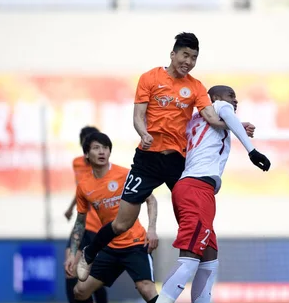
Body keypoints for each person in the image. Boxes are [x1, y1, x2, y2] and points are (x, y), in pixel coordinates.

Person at [77, 32, 255, 282]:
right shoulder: (150, 78)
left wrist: (237, 125)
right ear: (173, 54)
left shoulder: (195, 87)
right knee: (122, 224)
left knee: (189, 217)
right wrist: (143, 133)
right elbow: (138, 115)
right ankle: (89, 253)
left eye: (194, 57)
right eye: (185, 55)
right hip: (147, 161)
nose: (189, 61)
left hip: (177, 163)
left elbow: (213, 119)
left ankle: (198, 265)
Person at [137, 85, 271, 303]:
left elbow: (219, 126)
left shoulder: (195, 122)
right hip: (196, 190)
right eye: (232, 97)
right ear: (217, 99)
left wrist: (235, 125)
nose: (235, 101)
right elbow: (225, 115)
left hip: (197, 191)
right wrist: (252, 150)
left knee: (209, 260)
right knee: (190, 259)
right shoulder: (219, 106)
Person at [58, 132, 181, 303]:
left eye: (105, 147)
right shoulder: (84, 186)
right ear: (87, 154)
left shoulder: (126, 174)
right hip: (109, 248)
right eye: (96, 148)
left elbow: (150, 199)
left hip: (135, 244)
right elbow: (80, 222)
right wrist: (72, 253)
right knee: (80, 291)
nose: (102, 151)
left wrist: (152, 228)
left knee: (147, 290)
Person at [62, 126, 111, 303]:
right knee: (70, 269)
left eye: (100, 147)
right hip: (82, 226)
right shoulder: (77, 164)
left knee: (91, 277)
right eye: (91, 147)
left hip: (98, 227)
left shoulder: (105, 169)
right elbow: (82, 188)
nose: (96, 151)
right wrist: (72, 207)